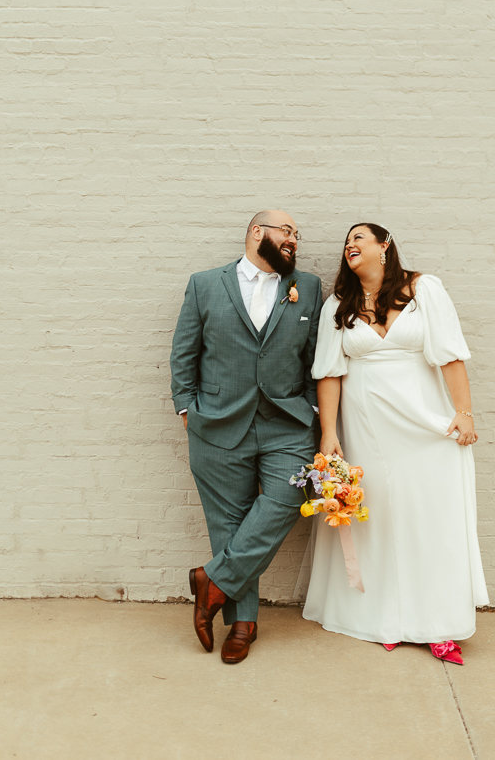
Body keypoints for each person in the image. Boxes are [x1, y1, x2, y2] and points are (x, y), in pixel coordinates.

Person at [302, 223, 488, 664]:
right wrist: (329, 434)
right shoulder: (338, 305)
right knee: (378, 523)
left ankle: (439, 625)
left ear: (385, 246)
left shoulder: (424, 290)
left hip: (424, 425)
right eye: (346, 242)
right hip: (367, 430)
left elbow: (451, 354)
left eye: (359, 238)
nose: (350, 245)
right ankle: (383, 618)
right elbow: (329, 373)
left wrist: (463, 413)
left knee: (430, 520)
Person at [171, 210, 323, 664]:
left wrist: (313, 407)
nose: (294, 239)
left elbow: (318, 354)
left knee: (288, 498)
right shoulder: (204, 284)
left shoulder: (309, 287)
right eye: (287, 231)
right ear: (258, 233)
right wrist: (186, 406)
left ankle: (211, 581)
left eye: (297, 234)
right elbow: (184, 350)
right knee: (228, 523)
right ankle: (243, 623)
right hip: (216, 421)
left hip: (288, 423)